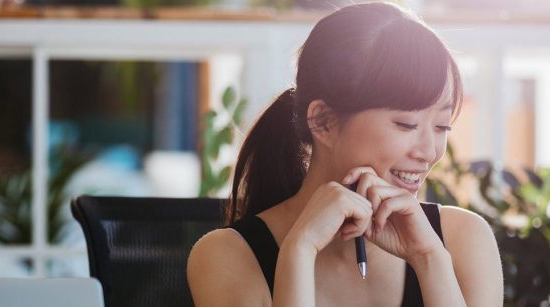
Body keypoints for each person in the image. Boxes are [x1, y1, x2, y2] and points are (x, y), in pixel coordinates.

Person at [187, 2, 503, 306]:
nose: (429, 152)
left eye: (441, 126)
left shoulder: (463, 239)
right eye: (406, 124)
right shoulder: (227, 255)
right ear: (323, 122)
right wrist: (299, 251)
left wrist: (429, 258)